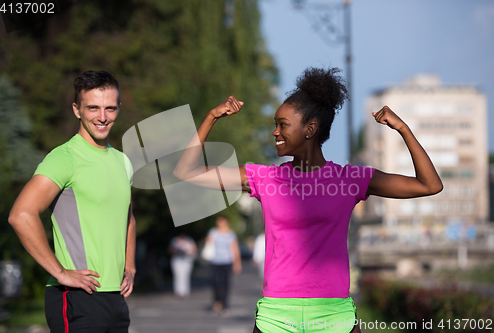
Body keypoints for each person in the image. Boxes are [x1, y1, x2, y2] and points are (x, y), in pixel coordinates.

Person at [174, 67, 442, 333]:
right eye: (275, 125)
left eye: (282, 125)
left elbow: (429, 185)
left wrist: (403, 129)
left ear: (310, 129)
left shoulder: (350, 180)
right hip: (276, 315)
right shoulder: (263, 178)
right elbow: (186, 172)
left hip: (334, 315)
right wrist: (211, 117)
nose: (275, 132)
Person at [8, 71, 136, 332]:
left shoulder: (123, 161)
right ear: (77, 110)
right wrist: (61, 272)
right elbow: (21, 214)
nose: (102, 117)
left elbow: (128, 217)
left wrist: (130, 266)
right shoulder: (64, 158)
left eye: (110, 108)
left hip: (115, 300)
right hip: (76, 297)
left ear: (118, 108)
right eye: (93, 108)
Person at [205, 215, 242, 316]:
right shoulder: (213, 232)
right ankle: (217, 302)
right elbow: (207, 243)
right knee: (214, 281)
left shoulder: (231, 235)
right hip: (214, 261)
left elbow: (235, 249)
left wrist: (237, 263)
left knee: (225, 283)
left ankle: (225, 305)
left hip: (226, 261)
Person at [169, 233, 197, 298]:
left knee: (186, 275)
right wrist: (176, 251)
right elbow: (170, 249)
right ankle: (178, 291)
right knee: (178, 275)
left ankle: (185, 291)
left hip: (187, 259)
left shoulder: (189, 240)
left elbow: (194, 248)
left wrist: (189, 251)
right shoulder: (174, 240)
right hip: (177, 260)